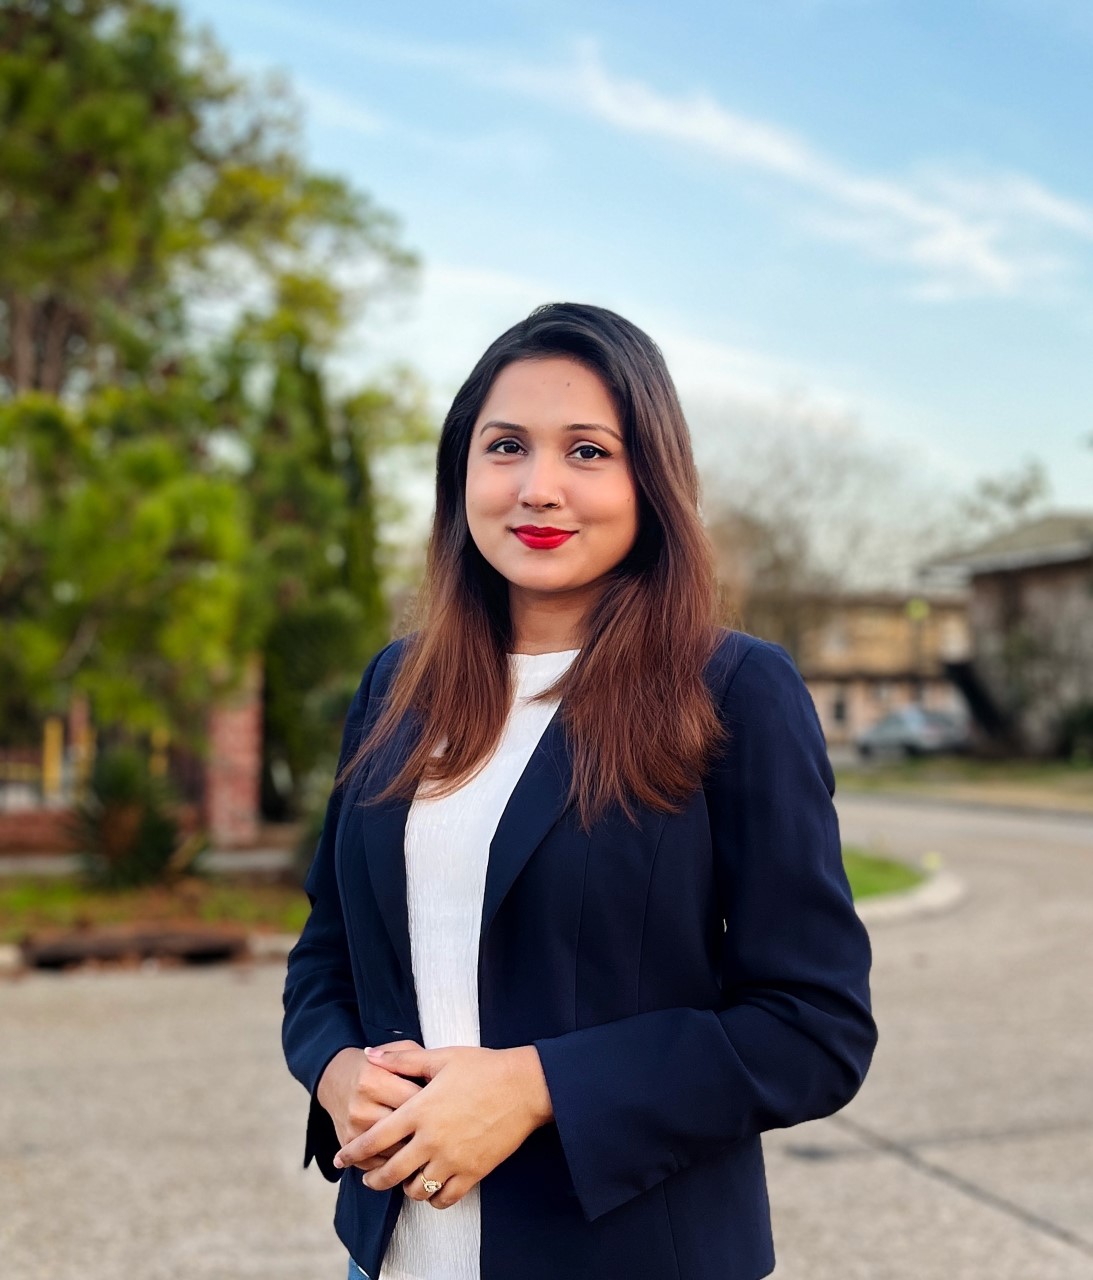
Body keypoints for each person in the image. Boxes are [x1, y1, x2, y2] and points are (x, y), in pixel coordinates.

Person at [281, 302, 877, 1280]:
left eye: (588, 451)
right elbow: (324, 958)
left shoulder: (733, 689)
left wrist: (534, 1086)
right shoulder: (396, 685)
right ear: (460, 474)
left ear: (650, 478)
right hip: (391, 1257)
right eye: (505, 445)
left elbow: (813, 1028)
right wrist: (336, 1069)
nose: (538, 488)